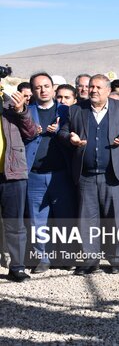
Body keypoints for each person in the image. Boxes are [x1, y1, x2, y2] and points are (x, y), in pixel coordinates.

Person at [58, 74, 119, 275]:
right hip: (86, 175)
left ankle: (117, 260)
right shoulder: (76, 110)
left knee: (116, 218)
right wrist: (70, 138)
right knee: (87, 220)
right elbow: (63, 132)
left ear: (108, 91)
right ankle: (90, 261)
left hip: (114, 174)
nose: (93, 90)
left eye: (99, 87)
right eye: (91, 87)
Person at [24, 73, 75, 273]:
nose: (43, 90)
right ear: (33, 90)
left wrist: (61, 133)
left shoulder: (67, 111)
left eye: (46, 86)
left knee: (65, 217)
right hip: (34, 174)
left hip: (61, 173)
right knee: (38, 219)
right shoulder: (26, 112)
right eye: (38, 87)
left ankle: (67, 255)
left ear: (53, 88)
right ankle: (42, 258)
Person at [0, 87, 37, 281]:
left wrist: (21, 110)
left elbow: (31, 132)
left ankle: (17, 267)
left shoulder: (12, 103)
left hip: (12, 172)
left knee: (15, 224)